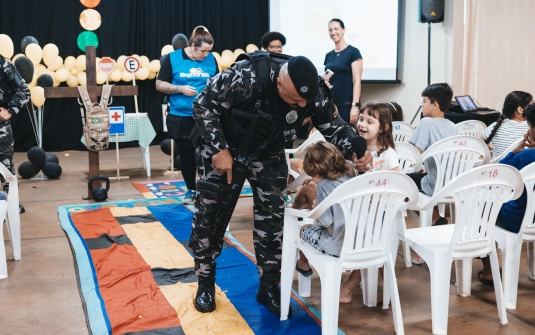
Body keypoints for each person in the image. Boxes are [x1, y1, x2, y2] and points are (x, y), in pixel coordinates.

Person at [189, 52, 372, 315]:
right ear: (279, 83)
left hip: (266, 149)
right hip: (225, 146)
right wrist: (218, 149)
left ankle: (269, 286)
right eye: (293, 100)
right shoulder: (246, 76)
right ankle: (205, 283)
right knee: (210, 215)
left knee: (273, 217)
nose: (299, 106)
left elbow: (335, 127)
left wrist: (356, 149)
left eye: (303, 102)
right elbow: (203, 104)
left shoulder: (314, 93)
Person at [339, 102, 399, 303]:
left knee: (369, 243)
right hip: (359, 210)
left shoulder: (387, 153)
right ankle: (391, 289)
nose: (362, 124)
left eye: (369, 121)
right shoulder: (356, 150)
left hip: (380, 213)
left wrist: (370, 172)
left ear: (383, 128)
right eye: (361, 119)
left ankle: (349, 288)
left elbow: (396, 183)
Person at [156, 26, 218, 204]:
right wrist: (180, 89)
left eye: (209, 51)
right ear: (192, 45)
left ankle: (208, 188)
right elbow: (159, 84)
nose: (206, 55)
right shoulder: (173, 58)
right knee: (187, 153)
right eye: (203, 51)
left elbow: (218, 83)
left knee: (210, 152)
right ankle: (191, 189)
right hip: (181, 115)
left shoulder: (211, 59)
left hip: (206, 116)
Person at [477, 103, 535, 285]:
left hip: (517, 219)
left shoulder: (526, 157)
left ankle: (489, 271)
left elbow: (499, 175)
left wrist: (514, 151)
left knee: (479, 208)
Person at [407, 83, 457, 264]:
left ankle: (433, 222)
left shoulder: (426, 122)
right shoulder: (453, 126)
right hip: (452, 184)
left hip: (434, 184)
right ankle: (436, 220)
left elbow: (414, 154)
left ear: (434, 104)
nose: (421, 105)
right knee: (420, 177)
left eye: (424, 101)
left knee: (405, 181)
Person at [292, 142, 353, 274]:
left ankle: (303, 264)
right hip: (354, 242)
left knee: (303, 229)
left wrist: (317, 209)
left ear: (318, 170)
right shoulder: (348, 178)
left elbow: (326, 221)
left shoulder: (323, 186)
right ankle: (304, 264)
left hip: (335, 245)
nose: (311, 178)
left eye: (312, 175)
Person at [0, 55, 30, 213]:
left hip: (1, 130)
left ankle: (10, 207)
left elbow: (24, 91)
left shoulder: (3, 65)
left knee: (6, 170)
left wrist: (10, 110)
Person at [324, 18, 363, 125]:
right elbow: (328, 76)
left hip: (347, 104)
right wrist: (325, 82)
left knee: (347, 136)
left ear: (343, 30)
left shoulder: (353, 52)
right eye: (330, 30)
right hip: (331, 104)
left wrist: (354, 106)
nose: (333, 32)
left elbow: (356, 81)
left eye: (336, 29)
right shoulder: (329, 55)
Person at [480, 91, 532, 158]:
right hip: (523, 167)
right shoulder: (531, 128)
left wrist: (489, 146)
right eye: (531, 106)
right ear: (520, 109)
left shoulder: (495, 126)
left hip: (499, 167)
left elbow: (479, 141)